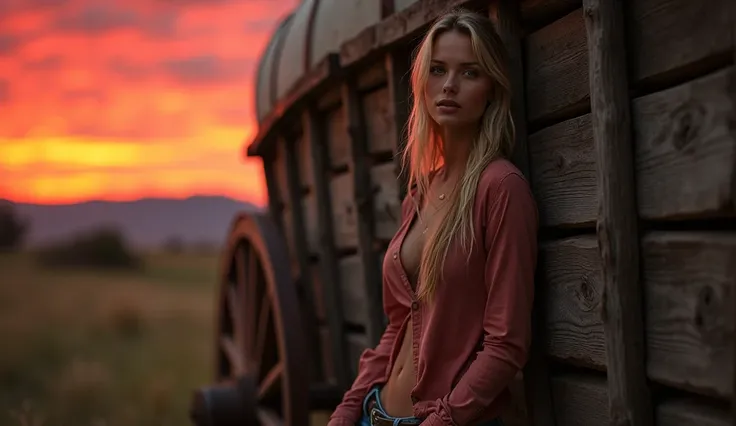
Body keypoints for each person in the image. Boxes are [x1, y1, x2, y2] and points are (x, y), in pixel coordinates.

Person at [328, 8, 538, 426]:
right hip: (376, 413)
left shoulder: (500, 188)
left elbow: (506, 344)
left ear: (492, 89)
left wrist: (440, 422)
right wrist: (348, 410)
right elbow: (398, 326)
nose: (450, 86)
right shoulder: (419, 194)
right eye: (438, 70)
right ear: (422, 84)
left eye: (469, 73)